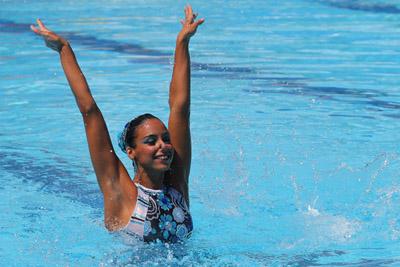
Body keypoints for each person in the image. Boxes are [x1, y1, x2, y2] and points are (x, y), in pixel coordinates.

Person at [31, 5, 204, 243]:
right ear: (131, 152)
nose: (163, 145)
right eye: (151, 141)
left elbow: (180, 109)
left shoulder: (177, 186)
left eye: (165, 138)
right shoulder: (119, 191)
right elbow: (90, 112)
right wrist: (64, 49)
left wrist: (182, 42)